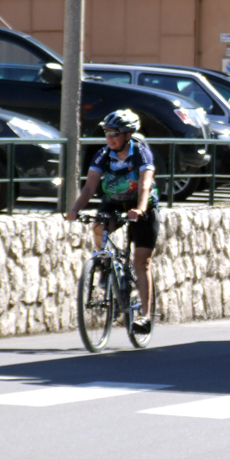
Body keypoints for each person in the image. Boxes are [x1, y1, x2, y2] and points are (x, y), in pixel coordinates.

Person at [66, 109, 158, 334]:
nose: (109, 138)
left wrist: (140, 208)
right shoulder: (103, 154)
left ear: (128, 135)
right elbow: (89, 187)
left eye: (114, 134)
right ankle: (104, 264)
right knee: (98, 225)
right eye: (107, 133)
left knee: (140, 263)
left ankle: (145, 316)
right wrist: (74, 209)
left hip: (142, 207)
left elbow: (145, 185)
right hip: (114, 203)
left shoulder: (141, 153)